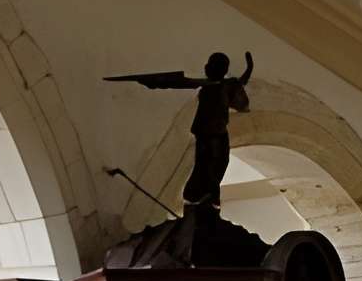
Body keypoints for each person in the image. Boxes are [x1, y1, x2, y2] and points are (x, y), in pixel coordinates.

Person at [105, 49, 254, 208]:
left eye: (212, 65)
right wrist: (155, 82)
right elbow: (177, 82)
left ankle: (207, 198)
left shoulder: (226, 86)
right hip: (206, 134)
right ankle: (201, 197)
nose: (207, 68)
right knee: (205, 167)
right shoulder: (212, 87)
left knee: (215, 167)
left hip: (217, 134)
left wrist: (248, 68)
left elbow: (241, 90)